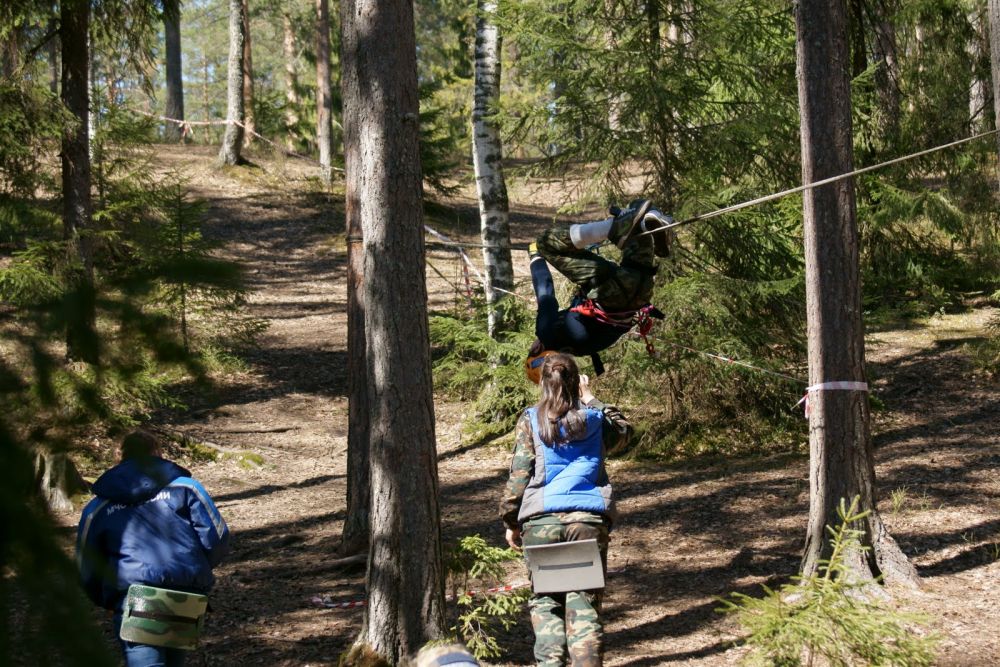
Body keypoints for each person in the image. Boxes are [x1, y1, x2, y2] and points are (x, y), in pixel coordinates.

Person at [499, 353, 631, 667]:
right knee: (584, 605)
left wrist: (511, 521)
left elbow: (519, 475)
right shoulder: (595, 418)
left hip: (540, 522)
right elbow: (625, 433)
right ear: (576, 382)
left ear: (543, 383)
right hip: (587, 521)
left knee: (546, 604)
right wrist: (591, 398)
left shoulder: (530, 419)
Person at [76, 429, 230, 667]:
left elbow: (87, 562)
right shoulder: (186, 488)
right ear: (157, 452)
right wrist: (195, 570)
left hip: (133, 595)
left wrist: (106, 599)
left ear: (120, 456)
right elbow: (216, 537)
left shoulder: (99, 505)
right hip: (183, 594)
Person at [525, 199, 673, 382]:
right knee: (546, 243)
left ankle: (651, 224)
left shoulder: (586, 349)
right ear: (535, 350)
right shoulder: (546, 334)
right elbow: (545, 292)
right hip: (608, 287)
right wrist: (535, 257)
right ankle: (614, 227)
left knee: (638, 216)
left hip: (640, 289)